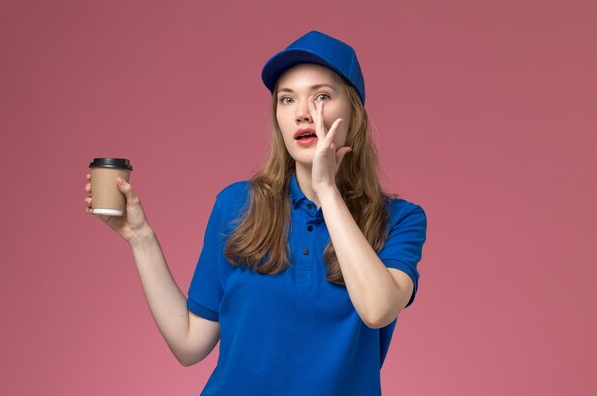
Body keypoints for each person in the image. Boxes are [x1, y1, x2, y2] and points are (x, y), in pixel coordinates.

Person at [84, 30, 427, 396]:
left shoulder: (400, 219)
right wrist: (141, 238)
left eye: (322, 96)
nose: (302, 113)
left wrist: (327, 190)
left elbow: (377, 309)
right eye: (287, 99)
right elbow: (189, 344)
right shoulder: (236, 205)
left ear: (353, 113)